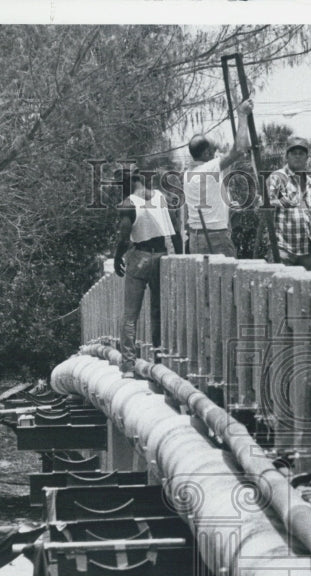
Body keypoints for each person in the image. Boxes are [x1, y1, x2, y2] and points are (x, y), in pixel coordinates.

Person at [113, 168, 180, 377]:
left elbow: (125, 238)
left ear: (127, 185)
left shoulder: (128, 203)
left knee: (130, 315)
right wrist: (178, 256)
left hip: (140, 256)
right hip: (161, 257)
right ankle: (158, 360)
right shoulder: (162, 197)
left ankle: (128, 366)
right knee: (157, 311)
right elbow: (175, 231)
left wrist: (117, 257)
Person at [183, 97, 255, 257]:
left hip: (196, 237)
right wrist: (242, 115)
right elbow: (240, 149)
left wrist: (227, 205)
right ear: (207, 153)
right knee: (227, 279)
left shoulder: (188, 173)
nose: (217, 154)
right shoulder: (208, 168)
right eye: (214, 151)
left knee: (204, 280)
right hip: (214, 237)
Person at [266, 137, 311, 270]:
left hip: (306, 252)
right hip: (282, 250)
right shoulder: (277, 178)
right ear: (287, 156)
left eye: (301, 153)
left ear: (307, 157)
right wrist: (281, 202)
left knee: (305, 289)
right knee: (282, 287)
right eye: (293, 153)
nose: (297, 156)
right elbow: (265, 206)